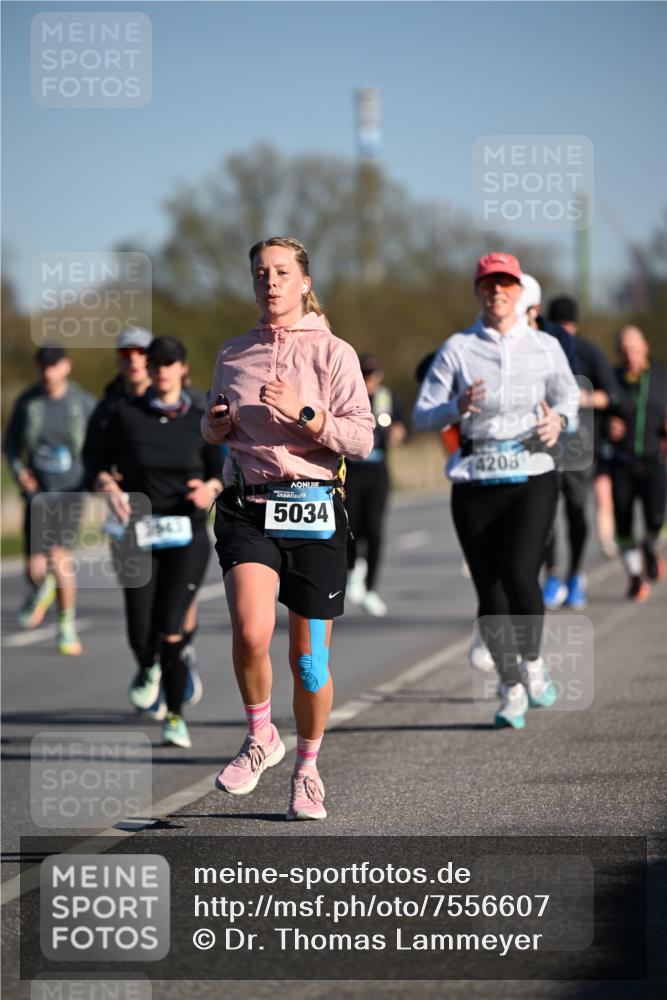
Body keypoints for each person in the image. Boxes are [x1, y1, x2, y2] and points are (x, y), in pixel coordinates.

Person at [201, 236, 374, 819]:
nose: (269, 282)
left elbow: (362, 437)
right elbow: (210, 427)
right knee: (252, 632)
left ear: (304, 282)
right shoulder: (232, 351)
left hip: (317, 508)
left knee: (309, 662)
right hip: (250, 506)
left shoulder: (334, 353)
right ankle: (260, 738)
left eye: (280, 272)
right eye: (259, 273)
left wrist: (307, 414)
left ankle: (306, 768)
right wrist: (217, 425)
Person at [413, 252, 579, 729]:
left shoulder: (545, 345)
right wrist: (455, 405)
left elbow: (569, 393)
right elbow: (424, 414)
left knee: (520, 574)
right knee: (489, 592)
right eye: (488, 285)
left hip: (532, 472)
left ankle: (531, 661)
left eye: (506, 284)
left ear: (519, 291)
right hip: (475, 479)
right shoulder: (458, 349)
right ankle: (510, 687)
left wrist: (559, 419)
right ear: (478, 291)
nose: (497, 292)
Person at [90, 336, 223, 748]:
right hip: (136, 534)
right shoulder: (125, 414)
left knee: (170, 626)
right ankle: (147, 666)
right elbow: (96, 464)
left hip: (186, 532)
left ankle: (175, 717)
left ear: (183, 369)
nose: (161, 368)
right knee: (140, 632)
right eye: (156, 361)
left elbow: (222, 470)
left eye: (170, 362)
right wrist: (108, 486)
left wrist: (211, 489)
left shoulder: (200, 417)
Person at [3, 346, 96, 654]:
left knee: (59, 557)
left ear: (66, 367)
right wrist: (21, 473)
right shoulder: (29, 403)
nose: (48, 372)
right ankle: (40, 590)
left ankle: (65, 625)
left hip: (71, 490)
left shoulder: (82, 402)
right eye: (43, 366)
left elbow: (100, 441)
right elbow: (12, 446)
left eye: (54, 365)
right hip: (38, 494)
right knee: (35, 568)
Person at [541, 295, 619, 610]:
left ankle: (575, 573)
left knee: (576, 512)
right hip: (545, 446)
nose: (563, 332)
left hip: (579, 447)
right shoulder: (540, 350)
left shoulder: (588, 353)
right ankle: (552, 574)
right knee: (544, 514)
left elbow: (611, 396)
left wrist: (577, 399)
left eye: (567, 326)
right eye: (558, 326)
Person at [608, 325, 667, 601]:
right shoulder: (611, 380)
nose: (630, 355)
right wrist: (606, 426)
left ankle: (651, 547)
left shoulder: (661, 379)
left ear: (645, 349)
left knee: (656, 519)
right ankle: (634, 577)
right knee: (622, 523)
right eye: (624, 350)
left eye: (634, 348)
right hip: (622, 462)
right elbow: (593, 417)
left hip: (656, 460)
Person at [345, 354, 407, 616]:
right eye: (365, 376)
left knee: (375, 529)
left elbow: (404, 429)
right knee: (351, 526)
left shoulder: (387, 398)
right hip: (352, 470)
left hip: (377, 469)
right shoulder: (347, 396)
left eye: (373, 376)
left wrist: (398, 432)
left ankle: (371, 588)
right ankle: (353, 570)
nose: (369, 381)